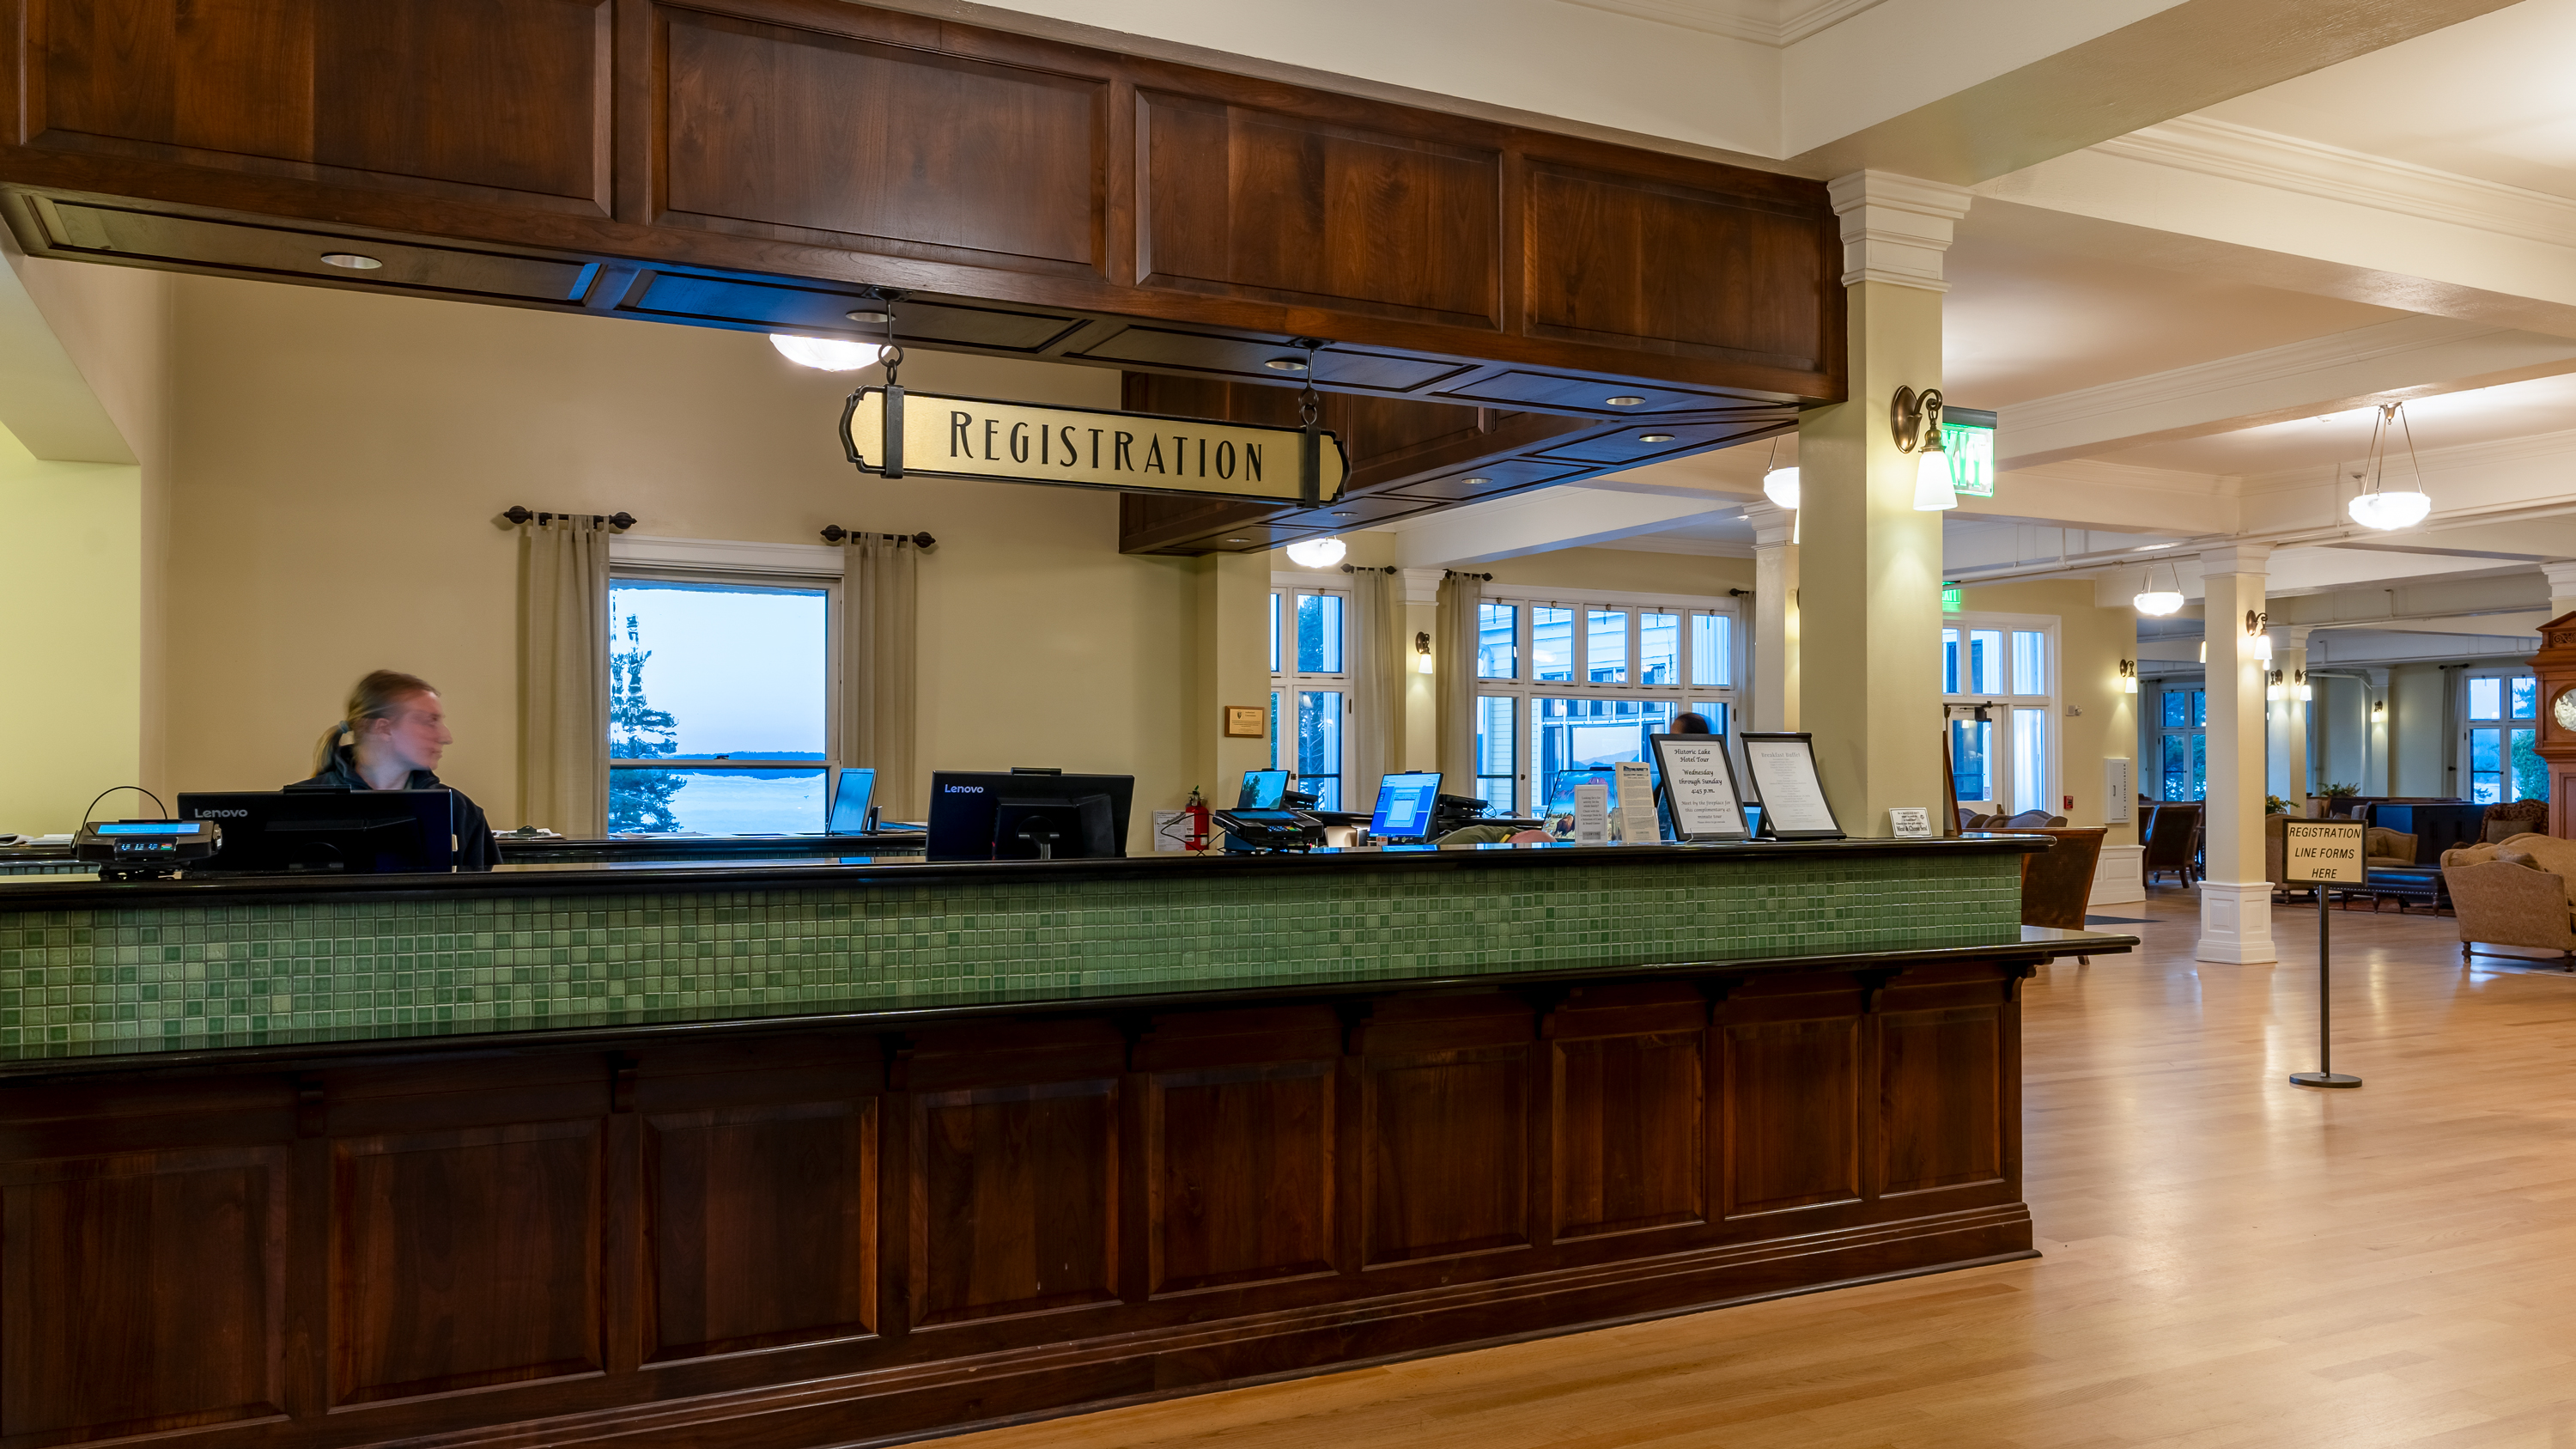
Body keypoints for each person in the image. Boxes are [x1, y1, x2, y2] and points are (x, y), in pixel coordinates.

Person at [289, 670, 496, 871]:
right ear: (383, 728)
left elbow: (488, 900)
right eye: (429, 721)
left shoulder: (460, 811)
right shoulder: (294, 808)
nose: (446, 736)